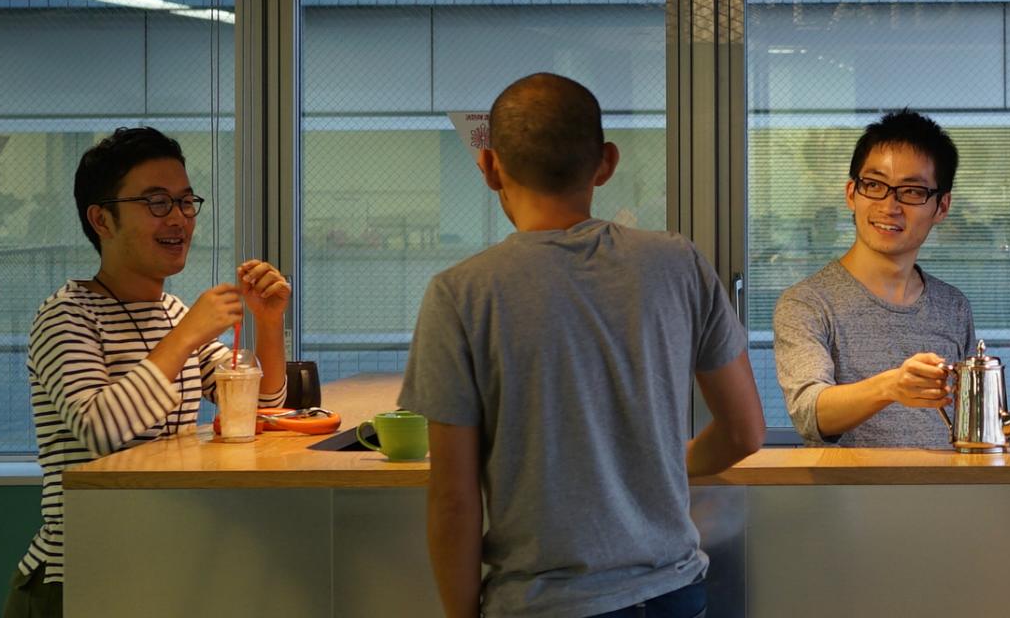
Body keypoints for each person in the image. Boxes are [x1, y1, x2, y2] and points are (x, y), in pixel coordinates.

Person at [400, 72, 765, 618]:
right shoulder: (677, 263)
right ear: (606, 163)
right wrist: (660, 466)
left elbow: (454, 499)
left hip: (545, 604)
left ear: (490, 167)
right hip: (674, 594)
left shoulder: (461, 294)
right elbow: (744, 431)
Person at [10, 127, 289, 618]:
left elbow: (259, 407)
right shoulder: (67, 316)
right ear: (102, 219)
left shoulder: (175, 313)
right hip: (77, 577)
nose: (179, 218)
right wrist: (186, 336)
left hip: (158, 568)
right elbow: (100, 428)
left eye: (186, 201)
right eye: (157, 202)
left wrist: (268, 324)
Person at [772, 109, 977, 448]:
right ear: (851, 193)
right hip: (849, 484)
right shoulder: (807, 303)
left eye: (912, 191)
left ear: (941, 206)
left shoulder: (953, 306)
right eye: (874, 185)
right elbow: (810, 413)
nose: (889, 205)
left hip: (946, 482)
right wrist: (890, 387)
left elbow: (970, 421)